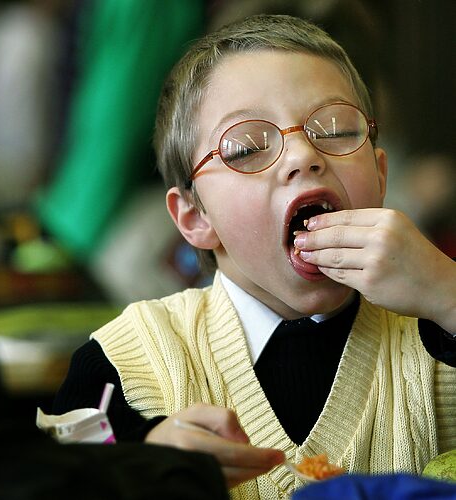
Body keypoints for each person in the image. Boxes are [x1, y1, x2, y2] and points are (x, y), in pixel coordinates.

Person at [52, 14, 456, 498]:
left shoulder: (440, 335)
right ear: (195, 217)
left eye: (334, 129)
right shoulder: (127, 364)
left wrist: (448, 293)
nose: (303, 156)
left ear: (381, 174)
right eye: (245, 148)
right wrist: (138, 469)